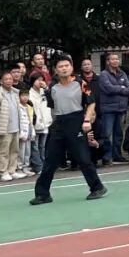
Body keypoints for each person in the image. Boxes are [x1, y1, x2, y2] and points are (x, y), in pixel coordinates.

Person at [30, 55, 107, 205]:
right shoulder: (52, 86)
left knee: (83, 158)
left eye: (67, 65)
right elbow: (51, 106)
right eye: (60, 66)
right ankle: (42, 194)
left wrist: (87, 120)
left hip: (76, 120)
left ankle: (97, 187)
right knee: (50, 160)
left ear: (71, 67)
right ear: (56, 70)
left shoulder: (80, 83)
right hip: (59, 123)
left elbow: (91, 103)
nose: (64, 68)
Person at [97, 53, 129, 165]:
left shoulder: (122, 73)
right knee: (107, 134)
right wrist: (121, 88)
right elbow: (108, 89)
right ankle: (106, 157)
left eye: (117, 59)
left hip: (121, 108)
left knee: (118, 134)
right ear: (108, 62)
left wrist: (118, 88)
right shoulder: (104, 74)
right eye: (113, 59)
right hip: (108, 109)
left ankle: (117, 155)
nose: (116, 61)